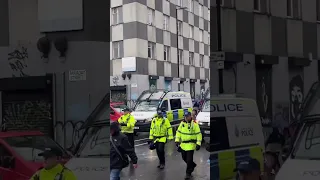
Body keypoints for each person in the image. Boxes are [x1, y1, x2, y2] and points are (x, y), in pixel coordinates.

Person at [175, 112, 202, 180]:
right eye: (185, 116)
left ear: (190, 116)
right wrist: (177, 140)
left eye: (187, 116)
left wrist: (198, 144)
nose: (186, 118)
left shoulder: (194, 124)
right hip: (183, 145)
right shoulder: (182, 123)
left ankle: (188, 173)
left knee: (189, 160)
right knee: (184, 158)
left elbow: (198, 134)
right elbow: (178, 132)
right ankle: (192, 165)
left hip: (191, 145)